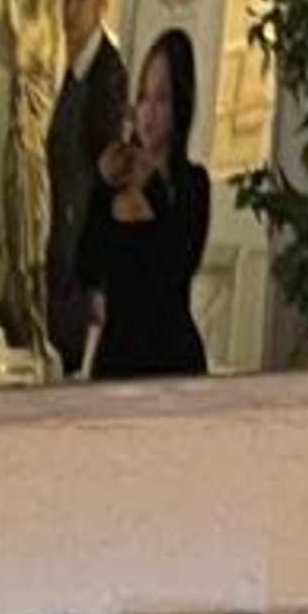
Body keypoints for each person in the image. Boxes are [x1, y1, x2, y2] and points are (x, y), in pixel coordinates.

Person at [79, 21, 211, 375]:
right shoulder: (115, 178)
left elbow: (176, 264)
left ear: (180, 105)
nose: (149, 112)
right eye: (143, 97)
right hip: (117, 360)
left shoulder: (193, 184)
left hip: (170, 360)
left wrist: (152, 187)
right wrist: (101, 190)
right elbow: (86, 268)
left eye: (162, 98)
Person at [41, 0, 127, 367]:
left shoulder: (107, 75)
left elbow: (106, 174)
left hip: (85, 261)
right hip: (65, 249)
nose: (71, 7)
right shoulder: (75, 74)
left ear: (102, 4)